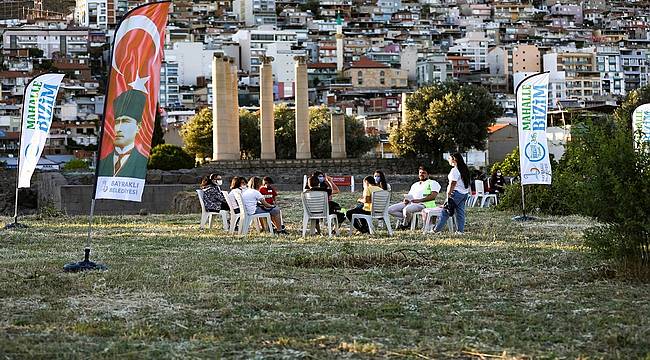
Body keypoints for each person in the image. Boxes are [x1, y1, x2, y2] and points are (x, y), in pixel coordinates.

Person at [98, 90, 149, 178]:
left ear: (138, 127)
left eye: (125, 121)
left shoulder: (143, 162)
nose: (119, 129)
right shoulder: (102, 163)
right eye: (117, 122)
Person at [388, 165, 441, 230]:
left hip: (423, 204)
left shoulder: (433, 183)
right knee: (390, 210)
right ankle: (410, 220)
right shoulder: (415, 184)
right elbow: (410, 195)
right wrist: (406, 199)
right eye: (420, 173)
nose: (421, 174)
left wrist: (420, 200)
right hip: (410, 202)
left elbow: (433, 196)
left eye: (423, 173)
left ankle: (405, 225)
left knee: (407, 209)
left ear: (428, 174)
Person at [434, 152, 471, 234]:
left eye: (449, 158)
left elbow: (453, 183)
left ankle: (436, 230)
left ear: (454, 159)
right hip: (464, 193)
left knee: (445, 211)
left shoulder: (454, 170)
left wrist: (448, 194)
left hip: (456, 193)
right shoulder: (464, 168)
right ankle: (460, 231)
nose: (448, 160)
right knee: (460, 212)